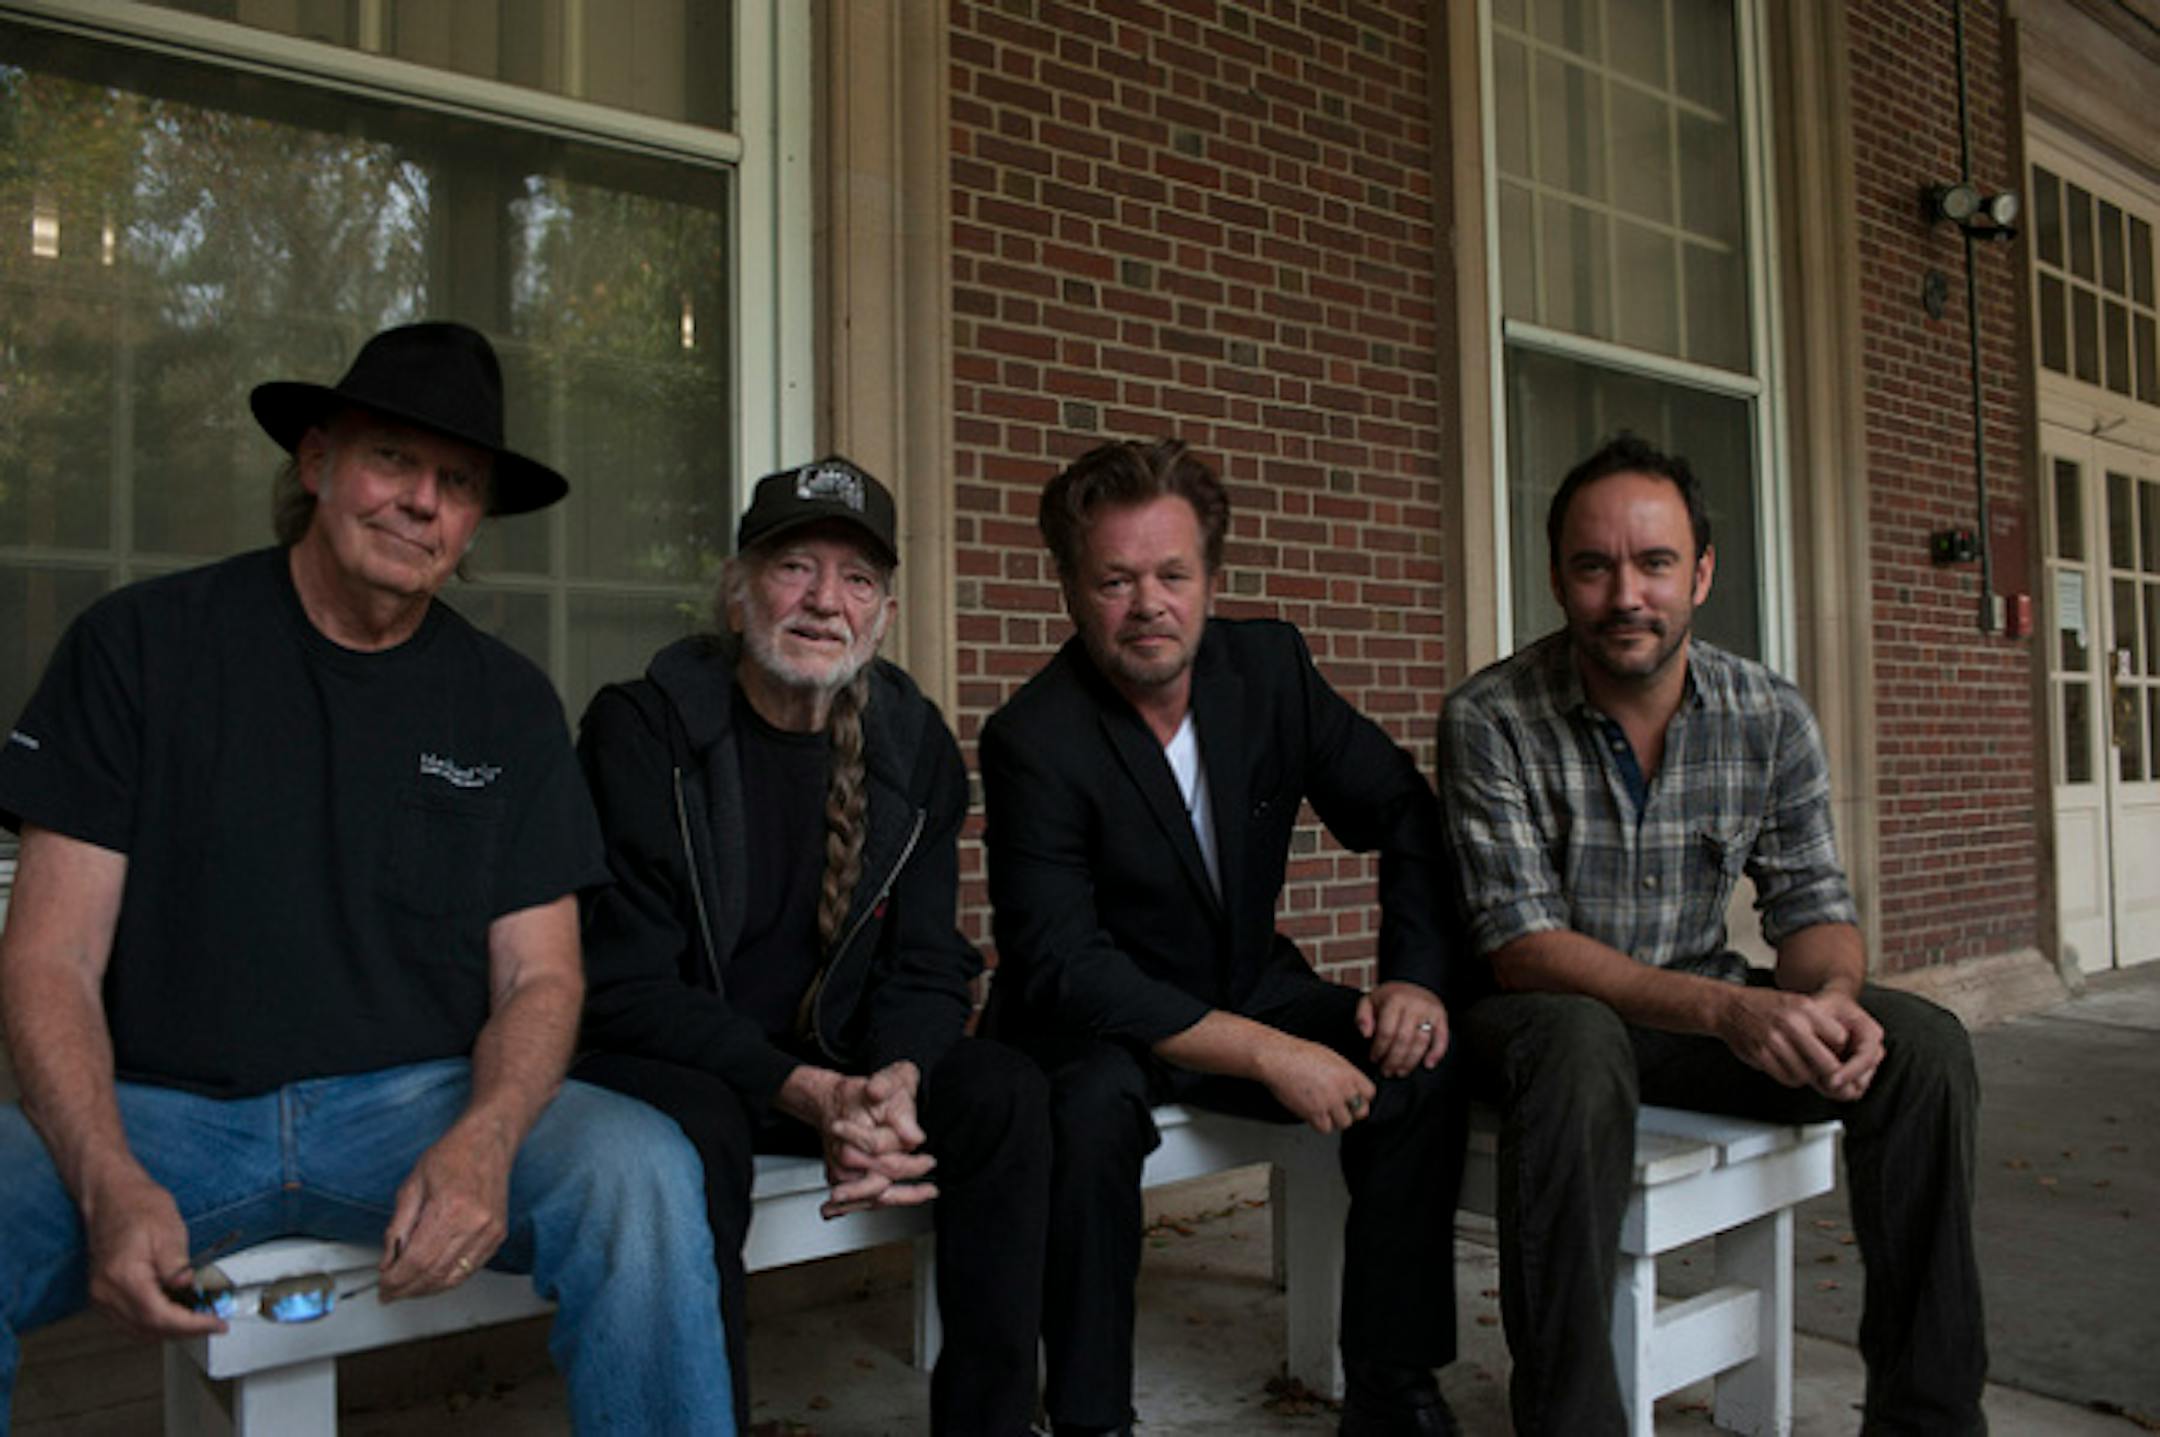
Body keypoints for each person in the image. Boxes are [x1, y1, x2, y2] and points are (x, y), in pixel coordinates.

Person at [0, 321, 735, 1435]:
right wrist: (106, 1173)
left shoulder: (508, 702)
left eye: (457, 481)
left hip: (420, 1107)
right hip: (160, 1111)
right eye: (393, 458)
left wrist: (487, 1136)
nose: (422, 501)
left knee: (638, 1171)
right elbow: (51, 953)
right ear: (316, 463)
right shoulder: (140, 647)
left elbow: (540, 978)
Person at [1438, 432, 1985, 1435]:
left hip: (1696, 1025)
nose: (1625, 596)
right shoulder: (1491, 716)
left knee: (1925, 1050)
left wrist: (1826, 1006)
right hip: (1535, 1029)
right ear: (1558, 578)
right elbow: (1523, 947)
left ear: (1702, 572)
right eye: (1594, 566)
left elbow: (1814, 906)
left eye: (1653, 563)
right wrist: (1732, 1008)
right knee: (1574, 1036)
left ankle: (1931, 1421)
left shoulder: (1765, 712)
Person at [980, 437, 1469, 1437]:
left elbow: (1406, 811)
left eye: (1171, 573)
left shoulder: (1272, 669)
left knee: (1416, 1066)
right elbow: (1065, 965)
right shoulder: (1034, 737)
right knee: (1089, 1114)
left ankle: (1389, 1387)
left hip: (1247, 982)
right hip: (1092, 1025)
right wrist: (1269, 1052)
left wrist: (1415, 977)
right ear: (1072, 589)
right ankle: (1090, 1419)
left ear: (1212, 580)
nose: (1147, 603)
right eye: (1114, 579)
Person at [573, 455, 1050, 1436]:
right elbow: (621, 985)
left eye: (859, 579)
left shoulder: (913, 748)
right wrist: (806, 1091)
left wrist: (896, 1083)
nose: (825, 600)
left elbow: (927, 960)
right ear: (739, 590)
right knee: (695, 1130)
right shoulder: (645, 730)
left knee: (1005, 1093)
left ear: (882, 614)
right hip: (690, 1066)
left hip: (844, 1075)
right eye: (795, 566)